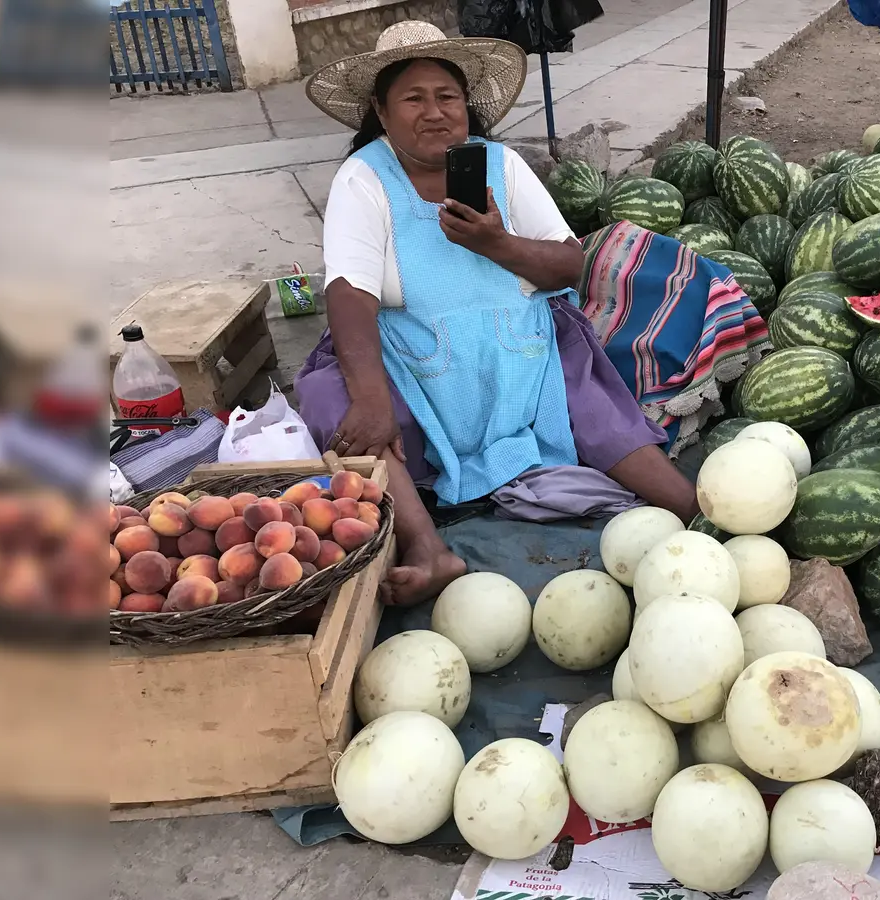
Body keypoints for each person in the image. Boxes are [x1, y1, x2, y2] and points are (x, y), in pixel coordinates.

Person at [297, 22, 723, 606]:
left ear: (466, 104)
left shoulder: (502, 166)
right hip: (413, 360)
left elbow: (568, 265)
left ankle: (693, 508)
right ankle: (428, 547)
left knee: (590, 400)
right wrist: (371, 398)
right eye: (413, 99)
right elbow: (349, 293)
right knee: (338, 404)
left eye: (447, 97)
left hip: (519, 348)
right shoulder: (365, 178)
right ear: (381, 109)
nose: (435, 113)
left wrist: (498, 244)